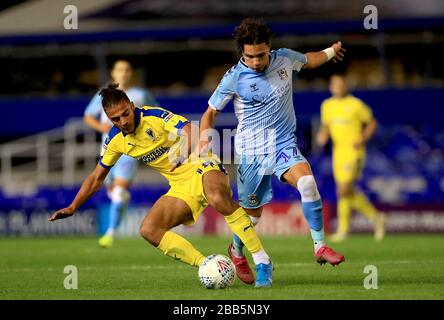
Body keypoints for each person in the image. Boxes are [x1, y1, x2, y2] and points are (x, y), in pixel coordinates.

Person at [50, 83, 274, 288]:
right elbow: (96, 178)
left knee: (217, 198)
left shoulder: (154, 116)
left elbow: (190, 130)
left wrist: (182, 152)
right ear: (109, 119)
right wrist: (73, 207)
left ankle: (262, 261)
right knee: (149, 230)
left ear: (132, 105)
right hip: (179, 185)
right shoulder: (116, 140)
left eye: (125, 114)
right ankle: (208, 266)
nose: (123, 121)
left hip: (202, 163)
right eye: (115, 119)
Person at [199, 17, 345, 285]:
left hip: (282, 144)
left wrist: (330, 52)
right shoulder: (233, 78)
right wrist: (204, 141)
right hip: (251, 152)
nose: (256, 61)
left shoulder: (285, 59)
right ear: (242, 52)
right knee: (252, 218)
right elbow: (210, 113)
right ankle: (236, 250)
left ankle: (320, 246)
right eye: (250, 56)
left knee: (308, 182)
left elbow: (309, 60)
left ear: (270, 47)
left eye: (261, 55)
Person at [83, 59, 158, 248]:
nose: (123, 73)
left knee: (118, 191)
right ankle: (120, 203)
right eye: (119, 69)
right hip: (108, 149)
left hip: (131, 149)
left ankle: (111, 233)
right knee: (113, 192)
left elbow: (157, 112)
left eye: (127, 69)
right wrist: (102, 127)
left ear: (130, 73)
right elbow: (88, 115)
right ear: (113, 73)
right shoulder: (105, 95)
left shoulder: (140, 94)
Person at [316, 74, 386, 242]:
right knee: (345, 191)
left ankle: (343, 229)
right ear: (331, 87)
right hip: (338, 152)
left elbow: (372, 123)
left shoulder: (355, 104)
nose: (339, 88)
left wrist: (362, 138)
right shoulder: (327, 105)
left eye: (342, 85)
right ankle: (376, 218)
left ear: (345, 86)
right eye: (336, 85)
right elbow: (326, 126)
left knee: (343, 189)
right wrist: (323, 135)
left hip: (354, 152)